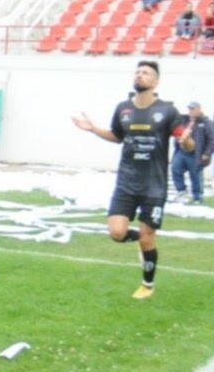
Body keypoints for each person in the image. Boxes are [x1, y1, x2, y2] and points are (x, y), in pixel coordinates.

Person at [72, 60, 194, 299]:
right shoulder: (123, 109)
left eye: (145, 73)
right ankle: (140, 239)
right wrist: (93, 128)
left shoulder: (167, 111)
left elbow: (187, 144)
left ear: (155, 82)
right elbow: (117, 136)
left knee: (149, 238)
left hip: (154, 185)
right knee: (117, 232)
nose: (139, 75)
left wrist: (186, 141)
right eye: (137, 72)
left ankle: (147, 285)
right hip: (126, 183)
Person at [171, 101, 214, 204]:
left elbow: (212, 139)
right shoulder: (184, 120)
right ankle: (181, 191)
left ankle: (198, 197)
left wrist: (207, 153)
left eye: (193, 109)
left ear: (199, 109)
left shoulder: (206, 122)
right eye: (190, 109)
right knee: (175, 168)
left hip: (196, 154)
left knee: (195, 175)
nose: (191, 111)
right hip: (182, 151)